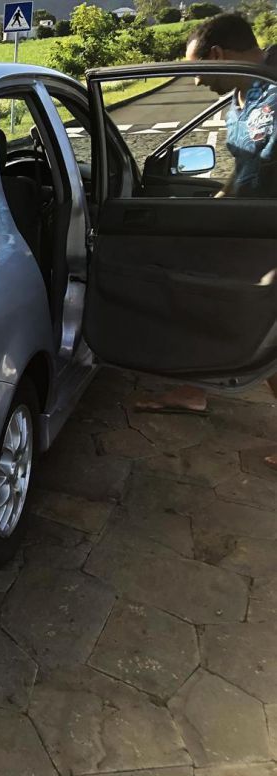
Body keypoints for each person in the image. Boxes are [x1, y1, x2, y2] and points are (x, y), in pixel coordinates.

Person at [135, 14, 277, 469]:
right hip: (242, 230)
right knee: (202, 304)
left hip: (268, 236)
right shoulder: (239, 95)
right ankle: (195, 390)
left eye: (197, 69)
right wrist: (217, 202)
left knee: (267, 333)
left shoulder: (273, 87)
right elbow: (248, 165)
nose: (195, 81)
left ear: (217, 54)